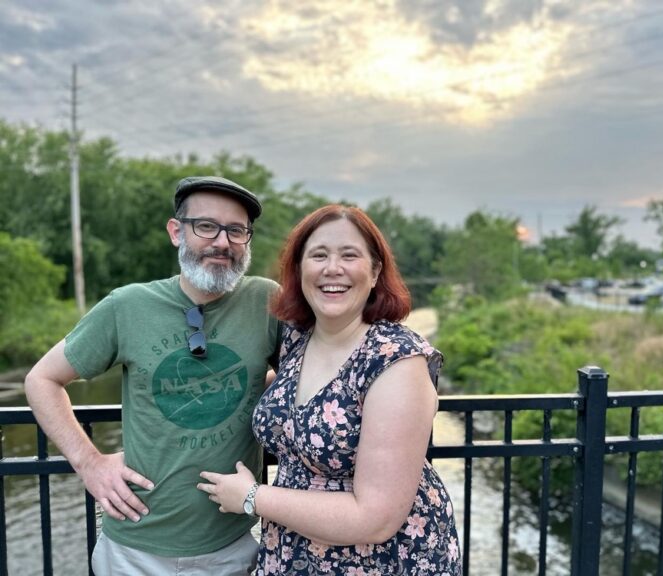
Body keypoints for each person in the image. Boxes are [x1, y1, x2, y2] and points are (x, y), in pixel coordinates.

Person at [24, 176, 282, 575]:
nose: (222, 242)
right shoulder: (127, 306)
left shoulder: (266, 301)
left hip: (233, 547)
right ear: (176, 231)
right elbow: (41, 380)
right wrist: (89, 462)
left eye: (236, 230)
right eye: (206, 226)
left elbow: (308, 383)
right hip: (134, 552)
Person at [198, 204, 462, 575]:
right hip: (293, 556)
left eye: (349, 255)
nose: (332, 268)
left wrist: (253, 497)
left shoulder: (396, 360)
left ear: (374, 273)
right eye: (318, 255)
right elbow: (303, 403)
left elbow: (375, 518)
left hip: (380, 563)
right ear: (299, 271)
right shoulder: (296, 342)